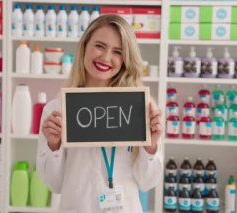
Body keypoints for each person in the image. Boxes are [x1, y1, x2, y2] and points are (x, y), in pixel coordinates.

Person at [37, 14, 163, 213]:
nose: (105, 58)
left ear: (125, 59)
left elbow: (147, 183)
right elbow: (55, 184)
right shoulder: (57, 110)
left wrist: (151, 146)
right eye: (100, 46)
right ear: (85, 46)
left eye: (117, 51)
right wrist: (54, 146)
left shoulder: (140, 108)